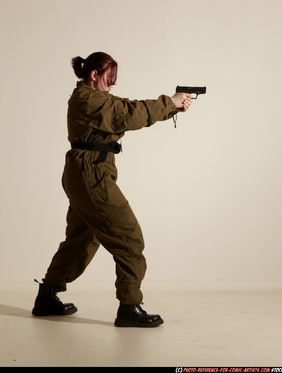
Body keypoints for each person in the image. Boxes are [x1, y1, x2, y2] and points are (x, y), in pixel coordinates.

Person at [32, 51, 192, 327]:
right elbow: (127, 114)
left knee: (82, 239)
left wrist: (172, 108)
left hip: (87, 172)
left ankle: (47, 295)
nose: (113, 84)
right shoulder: (88, 99)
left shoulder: (94, 98)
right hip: (90, 173)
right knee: (129, 238)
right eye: (110, 78)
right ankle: (129, 306)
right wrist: (169, 102)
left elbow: (126, 109)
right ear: (94, 75)